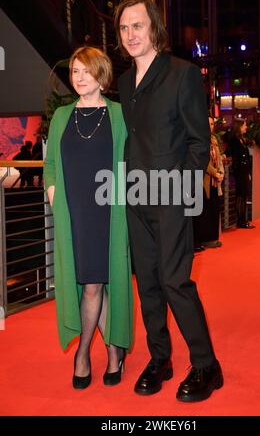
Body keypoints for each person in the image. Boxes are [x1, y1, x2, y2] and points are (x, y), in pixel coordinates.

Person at [114, 0, 223, 402]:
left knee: (175, 281)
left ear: (154, 27)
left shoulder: (183, 74)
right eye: (124, 28)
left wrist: (181, 190)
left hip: (171, 197)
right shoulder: (124, 83)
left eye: (137, 25)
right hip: (134, 197)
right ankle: (160, 358)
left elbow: (199, 142)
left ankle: (207, 365)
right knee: (148, 285)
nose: (130, 35)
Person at [44, 46, 133, 390]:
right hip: (74, 213)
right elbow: (51, 165)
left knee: (98, 283)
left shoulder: (120, 115)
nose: (79, 78)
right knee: (92, 283)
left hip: (109, 212)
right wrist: (53, 195)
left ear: (102, 74)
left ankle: (94, 353)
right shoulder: (62, 117)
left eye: (86, 71)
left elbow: (133, 161)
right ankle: (104, 352)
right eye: (75, 72)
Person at [193, 116, 224, 249]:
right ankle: (204, 239)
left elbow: (219, 159)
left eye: (212, 124)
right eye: (208, 123)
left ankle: (213, 238)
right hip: (203, 180)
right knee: (204, 210)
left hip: (215, 182)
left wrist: (221, 173)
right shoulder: (199, 140)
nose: (210, 126)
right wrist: (214, 173)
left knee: (214, 208)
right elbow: (203, 160)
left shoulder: (214, 139)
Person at [226, 118, 255, 229]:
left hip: (244, 171)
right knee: (241, 195)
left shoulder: (241, 139)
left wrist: (248, 172)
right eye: (244, 125)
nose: (246, 127)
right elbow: (230, 152)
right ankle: (241, 221)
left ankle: (243, 220)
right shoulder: (234, 140)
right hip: (239, 172)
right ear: (239, 127)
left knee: (243, 195)